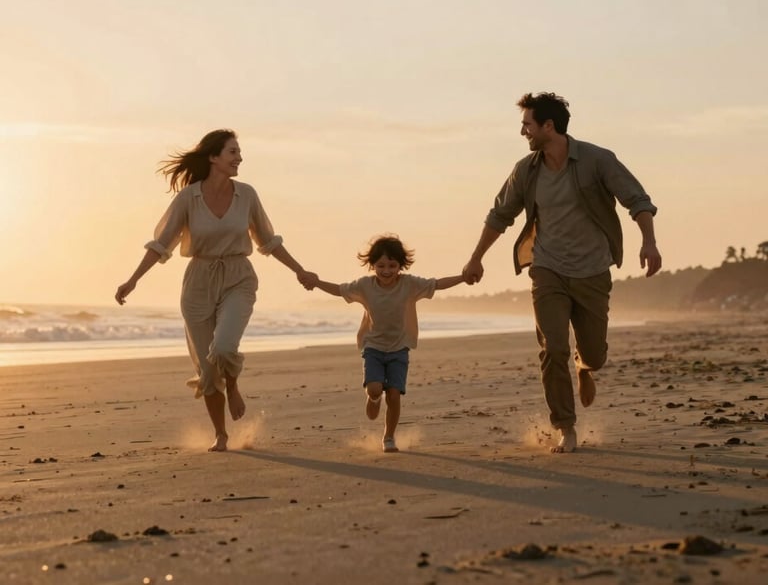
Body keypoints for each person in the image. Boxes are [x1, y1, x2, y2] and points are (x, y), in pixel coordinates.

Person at [462, 93, 662, 454]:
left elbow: (638, 199)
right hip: (547, 269)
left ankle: (585, 367)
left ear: (548, 127)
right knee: (553, 349)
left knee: (595, 353)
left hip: (592, 271)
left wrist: (649, 242)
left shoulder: (597, 160)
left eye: (528, 124)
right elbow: (499, 215)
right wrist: (476, 258)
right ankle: (565, 427)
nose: (523, 131)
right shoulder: (527, 170)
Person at [115, 129, 317, 452]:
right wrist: (134, 279)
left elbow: (268, 240)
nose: (239, 158)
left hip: (238, 276)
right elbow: (161, 244)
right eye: (232, 152)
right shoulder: (188, 198)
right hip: (198, 282)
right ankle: (221, 434)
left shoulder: (247, 195)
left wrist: (299, 270)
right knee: (207, 370)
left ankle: (234, 385)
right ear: (213, 158)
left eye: (239, 152)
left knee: (223, 347)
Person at [306, 234, 466, 453]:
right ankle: (373, 399)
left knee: (393, 394)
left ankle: (388, 437)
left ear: (401, 265)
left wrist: (463, 277)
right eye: (381, 265)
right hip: (373, 347)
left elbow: (436, 284)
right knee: (374, 388)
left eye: (392, 265)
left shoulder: (410, 284)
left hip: (399, 348)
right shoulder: (365, 286)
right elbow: (340, 289)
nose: (387, 271)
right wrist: (316, 283)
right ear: (372, 266)